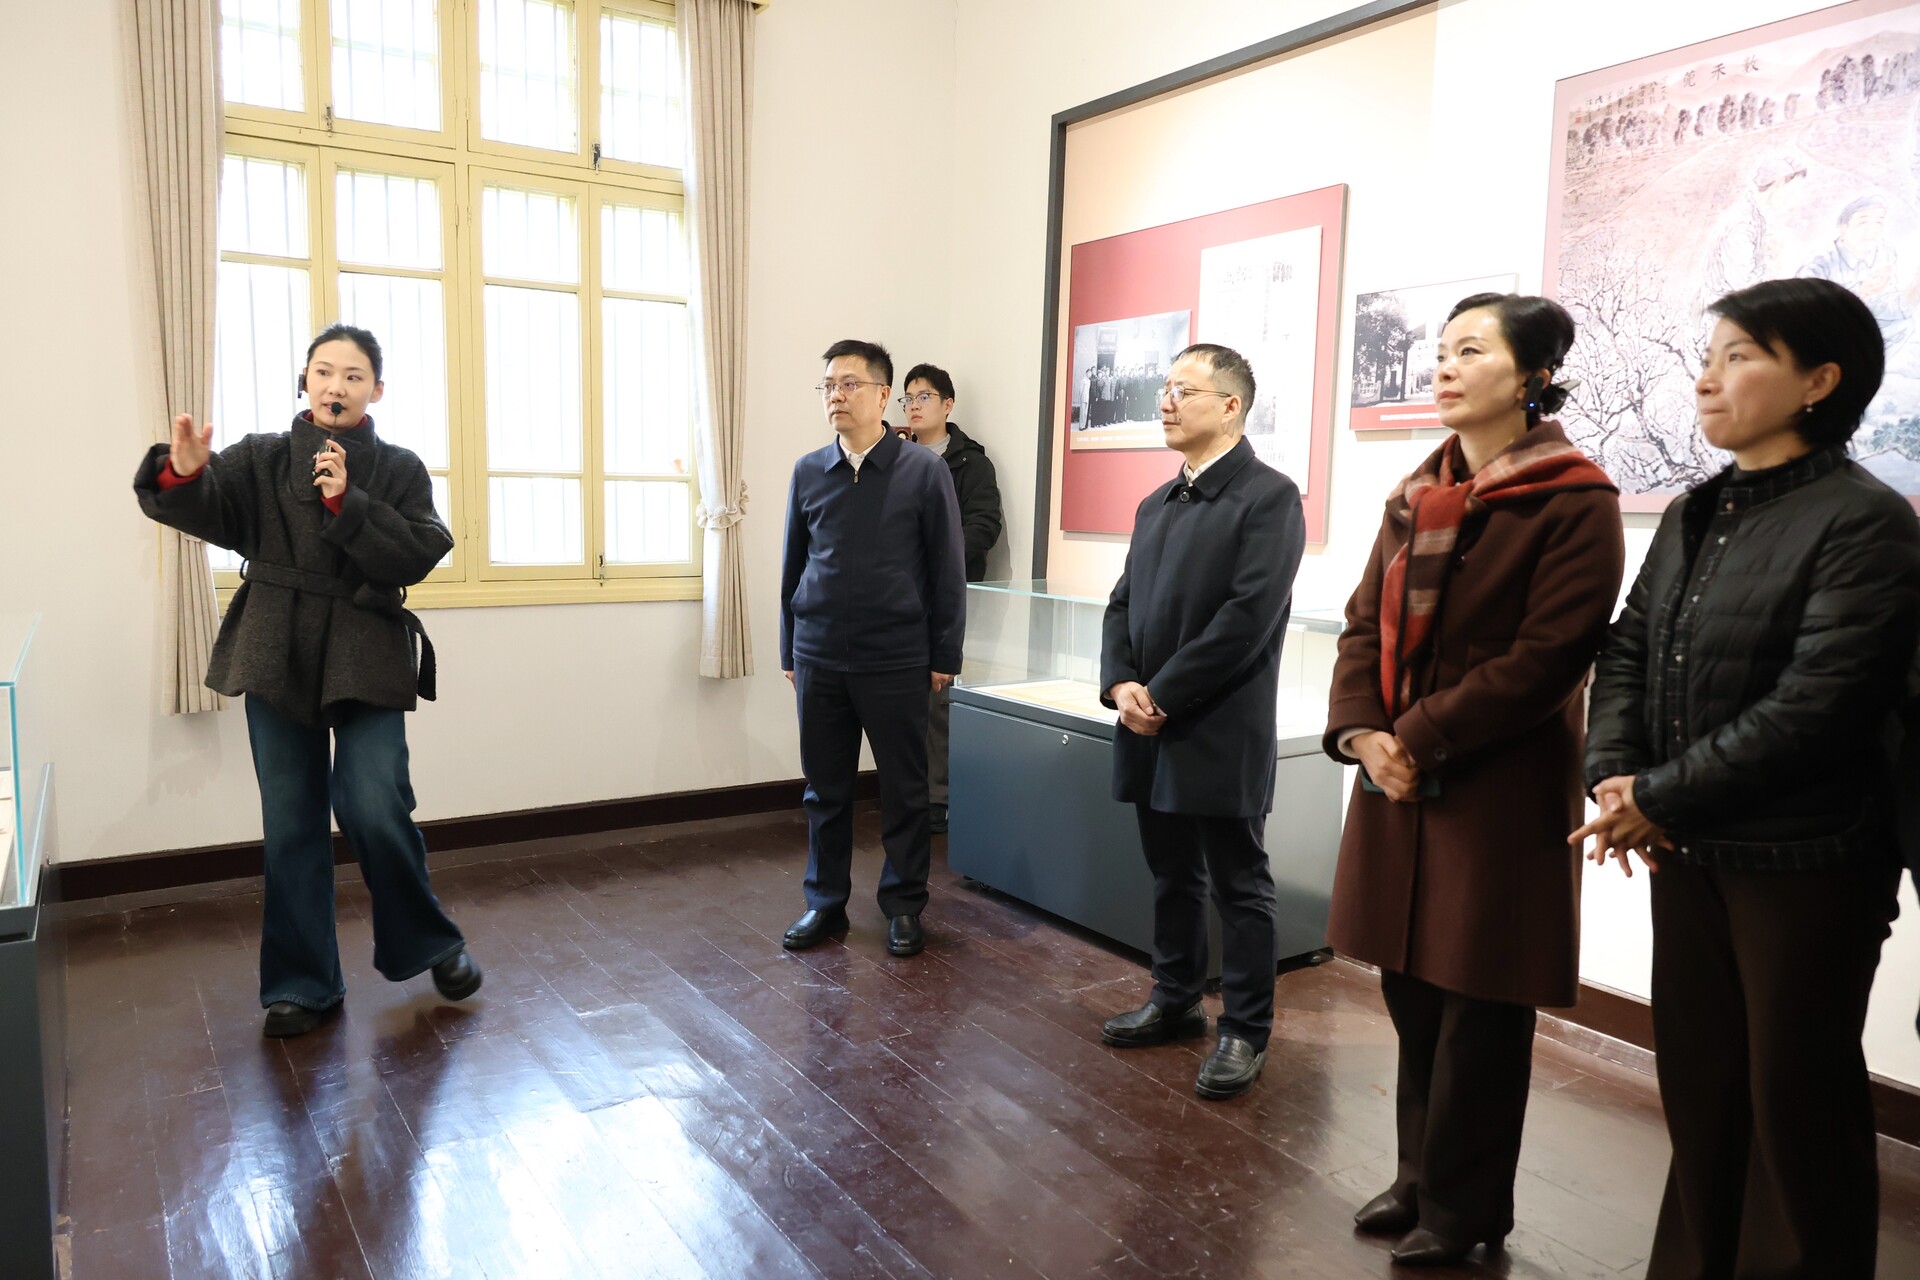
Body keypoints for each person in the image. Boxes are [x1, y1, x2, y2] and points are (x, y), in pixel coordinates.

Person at [1577, 277, 1920, 1280]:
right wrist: (1614, 772)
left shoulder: (1866, 519)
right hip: (1688, 847)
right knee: (1702, 1086)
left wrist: (1657, 796)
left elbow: (1822, 702)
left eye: (1739, 357)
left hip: (1807, 858)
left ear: (1820, 380)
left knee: (1796, 1096)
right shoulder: (1697, 509)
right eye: (1708, 356)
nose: (1707, 379)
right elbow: (1631, 648)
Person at [1324, 293, 1624, 1265]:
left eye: (1471, 350)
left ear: (1535, 375)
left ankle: (1465, 1206)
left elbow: (1548, 657)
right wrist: (1363, 734)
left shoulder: (1575, 498)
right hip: (1397, 777)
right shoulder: (1417, 491)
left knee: (1482, 1005)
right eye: (1441, 350)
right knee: (1411, 988)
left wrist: (1415, 736)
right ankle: (1417, 1175)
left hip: (1497, 782)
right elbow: (1362, 623)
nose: (1445, 367)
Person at [132, 323, 480, 1039]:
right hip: (275, 646)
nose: (336, 386)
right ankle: (302, 983)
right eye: (324, 371)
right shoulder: (261, 457)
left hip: (366, 648)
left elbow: (417, 552)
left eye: (353, 376)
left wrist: (349, 503)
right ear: (305, 380)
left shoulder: (401, 468)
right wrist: (184, 473)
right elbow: (205, 508)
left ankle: (429, 941)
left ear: (376, 390)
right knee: (291, 822)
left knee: (375, 804)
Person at [1097, 342, 1306, 1102]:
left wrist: (1162, 695)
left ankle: (1245, 1028)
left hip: (1218, 723)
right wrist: (1121, 683)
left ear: (1231, 405)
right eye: (1164, 388)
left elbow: (1246, 619)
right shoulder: (1157, 503)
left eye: (1183, 390)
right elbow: (1122, 602)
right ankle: (1176, 996)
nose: (1165, 401)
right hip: (1147, 719)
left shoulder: (1269, 498)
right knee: (1171, 873)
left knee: (1239, 882)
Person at [779, 340, 966, 958]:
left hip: (897, 657)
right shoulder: (809, 471)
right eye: (828, 385)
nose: (836, 395)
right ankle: (825, 902)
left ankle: (904, 905)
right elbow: (793, 567)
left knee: (905, 790)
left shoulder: (923, 471)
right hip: (819, 655)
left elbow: (947, 570)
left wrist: (945, 655)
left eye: (849, 384)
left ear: (883, 395)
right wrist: (790, 649)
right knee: (824, 788)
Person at [898, 363, 1004, 834]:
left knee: (940, 698)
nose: (914, 406)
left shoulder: (970, 463)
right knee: (903, 701)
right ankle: (907, 793)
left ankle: (938, 799)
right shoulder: (895, 457)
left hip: (950, 594)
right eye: (908, 398)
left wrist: (937, 558)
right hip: (900, 597)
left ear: (948, 404)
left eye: (924, 397)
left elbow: (984, 526)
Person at [1799, 194, 1913, 346]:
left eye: (1879, 222)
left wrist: (1910, 295)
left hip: (1865, 329)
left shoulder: (1885, 252)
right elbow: (1805, 309)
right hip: (1826, 331)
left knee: (1906, 326)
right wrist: (1861, 291)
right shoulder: (1821, 260)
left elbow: (1885, 305)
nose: (1872, 230)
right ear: (1843, 228)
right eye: (1863, 222)